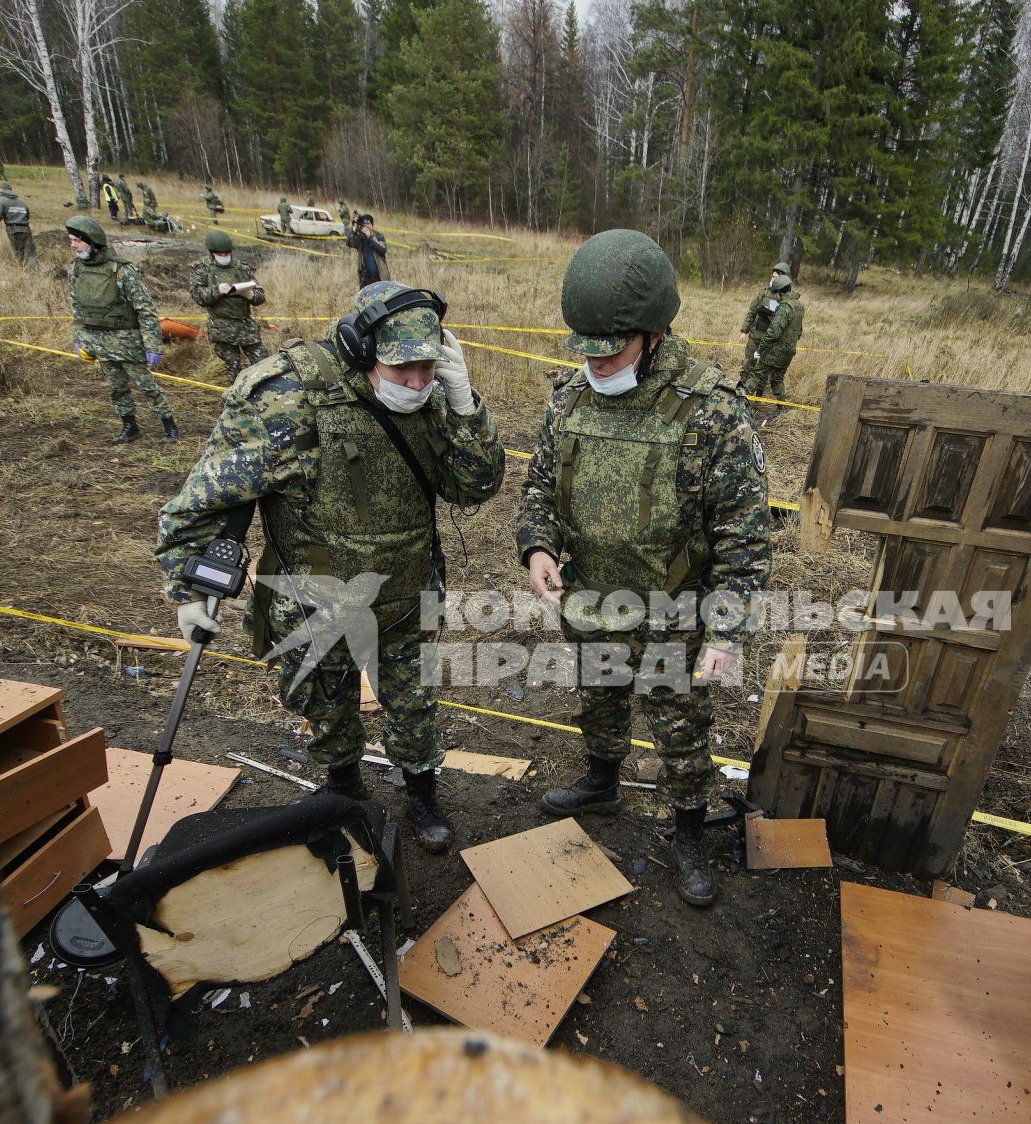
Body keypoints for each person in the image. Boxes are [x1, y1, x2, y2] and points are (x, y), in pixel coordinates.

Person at [155, 282, 504, 853]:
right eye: (402, 370)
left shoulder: (433, 398)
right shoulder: (286, 400)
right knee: (324, 702)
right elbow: (205, 500)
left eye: (428, 367)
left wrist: (464, 402)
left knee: (413, 704)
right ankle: (344, 788)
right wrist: (187, 587)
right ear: (361, 351)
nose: (416, 383)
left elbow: (476, 486)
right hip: (313, 602)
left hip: (403, 594)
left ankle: (422, 792)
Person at [515, 229, 773, 908]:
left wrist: (725, 633)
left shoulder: (712, 413)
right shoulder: (570, 400)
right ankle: (602, 780)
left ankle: (689, 830)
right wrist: (538, 547)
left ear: (657, 332)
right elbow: (539, 487)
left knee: (681, 733)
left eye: (613, 351)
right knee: (598, 700)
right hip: (594, 601)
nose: (598, 366)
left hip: (674, 617)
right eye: (588, 352)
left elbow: (744, 542)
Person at [65, 214, 178, 444]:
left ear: (92, 240)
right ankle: (129, 426)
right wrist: (80, 339)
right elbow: (77, 309)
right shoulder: (75, 270)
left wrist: (153, 344)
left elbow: (145, 310)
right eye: (70, 240)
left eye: (77, 240)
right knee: (116, 388)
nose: (73, 245)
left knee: (147, 386)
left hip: (127, 342)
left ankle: (169, 426)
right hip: (99, 341)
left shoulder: (122, 271)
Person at [189, 230, 267, 374]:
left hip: (246, 327)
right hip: (221, 329)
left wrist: (251, 295)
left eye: (227, 254)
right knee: (234, 369)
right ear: (212, 252)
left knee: (264, 365)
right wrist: (216, 290)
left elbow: (261, 295)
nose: (224, 257)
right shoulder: (202, 269)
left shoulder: (242, 268)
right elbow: (198, 296)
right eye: (220, 255)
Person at [738, 260, 804, 412]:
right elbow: (798, 331)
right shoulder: (798, 305)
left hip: (774, 348)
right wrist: (745, 330)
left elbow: (774, 332)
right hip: (787, 350)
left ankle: (740, 402)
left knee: (756, 374)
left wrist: (760, 350)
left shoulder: (785, 306)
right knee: (776, 379)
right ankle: (781, 407)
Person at [0, 181, 36, 265]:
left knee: (18, 252)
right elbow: (27, 215)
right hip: (26, 229)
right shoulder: (21, 201)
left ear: (1, 190)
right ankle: (33, 272)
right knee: (30, 253)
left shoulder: (1, 200)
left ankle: (20, 270)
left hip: (13, 230)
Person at [347, 213, 387, 288]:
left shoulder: (378, 236)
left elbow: (383, 249)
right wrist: (354, 228)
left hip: (379, 276)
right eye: (364, 224)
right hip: (365, 277)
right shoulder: (360, 237)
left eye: (368, 224)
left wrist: (370, 237)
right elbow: (349, 243)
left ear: (372, 225)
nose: (366, 226)